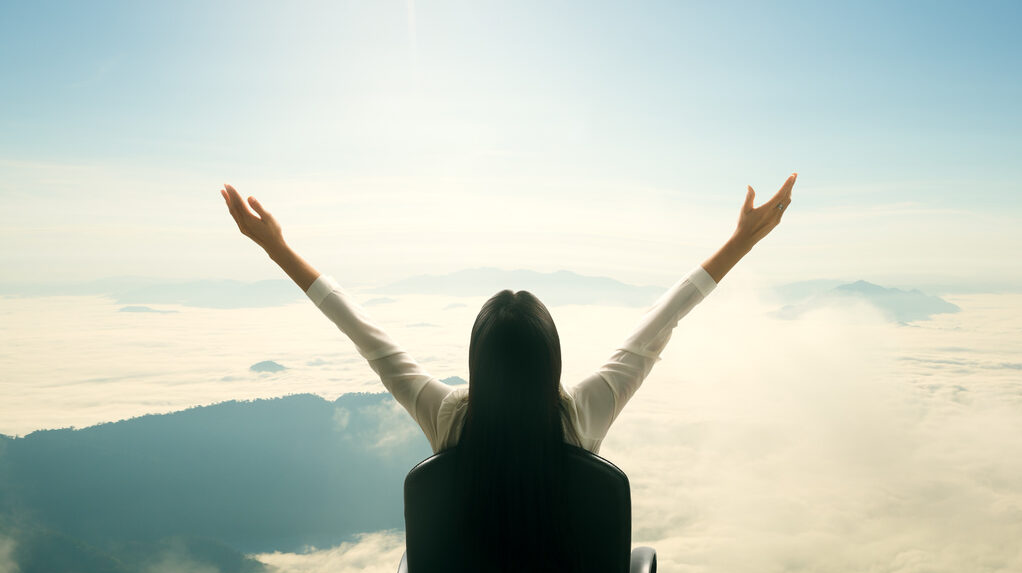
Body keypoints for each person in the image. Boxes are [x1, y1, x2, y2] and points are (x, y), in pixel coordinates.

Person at [218, 174, 797, 459]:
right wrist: (741, 242)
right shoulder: (583, 417)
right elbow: (659, 324)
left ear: (477, 362)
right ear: (553, 361)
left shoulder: (449, 419)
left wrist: (276, 248)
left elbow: (366, 336)